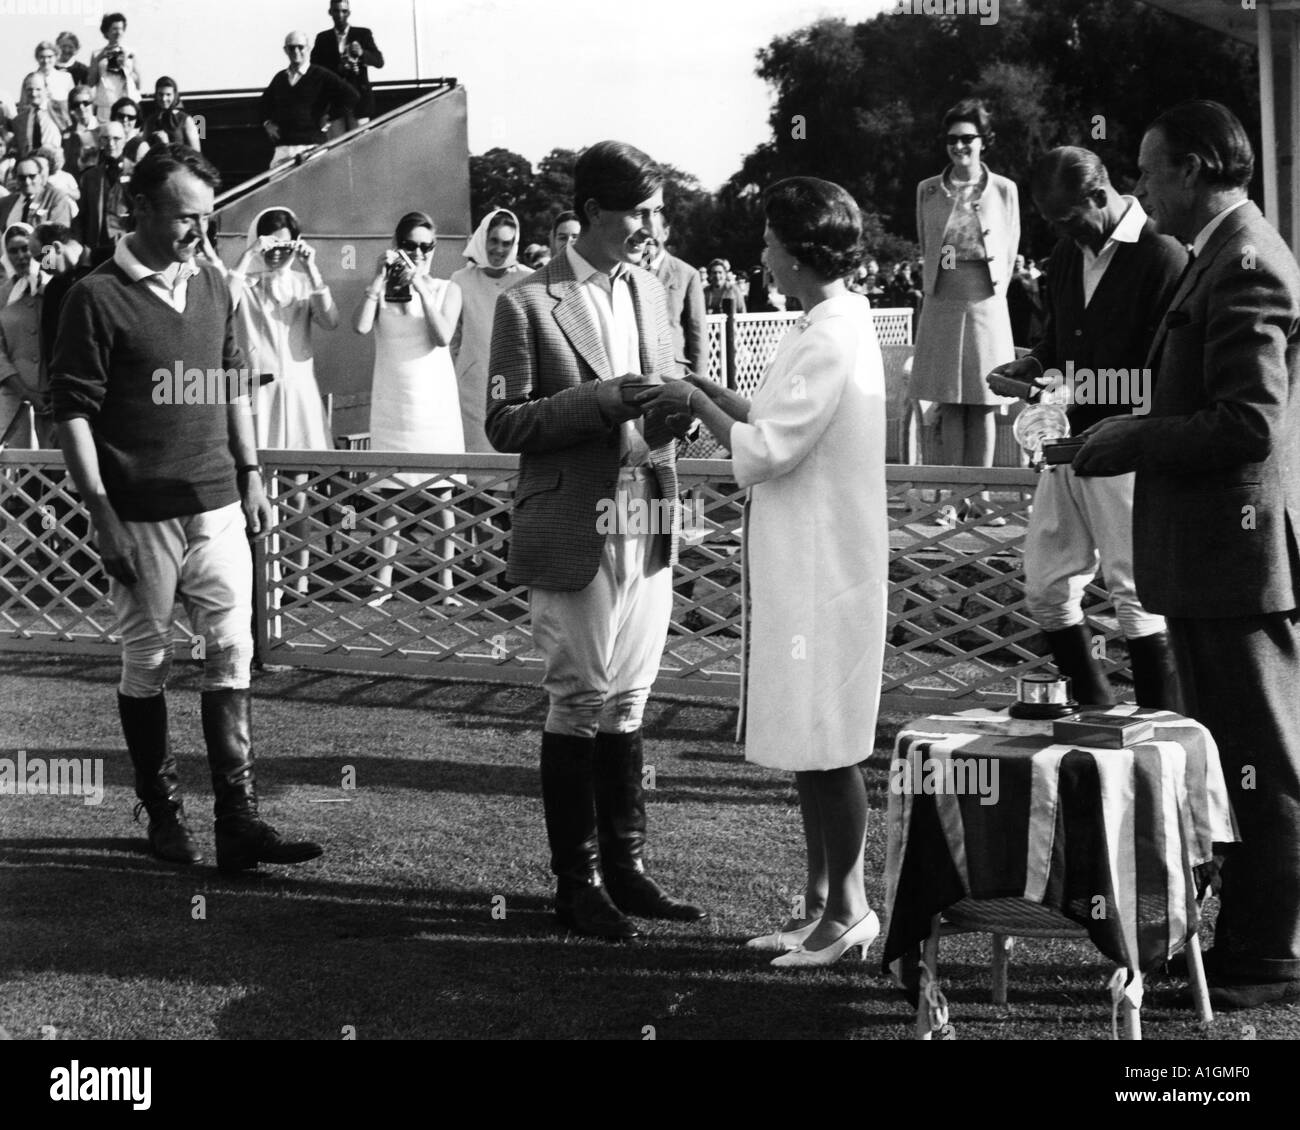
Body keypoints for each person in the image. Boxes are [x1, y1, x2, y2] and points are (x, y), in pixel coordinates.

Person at [1072, 102, 1300, 1009]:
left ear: (1199, 166)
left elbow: (1248, 423)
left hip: (1238, 564)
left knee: (1261, 756)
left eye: (1149, 167)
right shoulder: (1225, 252)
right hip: (1215, 561)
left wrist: (1135, 437)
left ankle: (1269, 951)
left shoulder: (1245, 262)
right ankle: (1247, 935)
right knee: (1234, 754)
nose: (1138, 186)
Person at [50, 145, 323, 872]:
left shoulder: (215, 283)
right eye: (183, 218)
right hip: (138, 511)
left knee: (232, 654)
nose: (197, 234)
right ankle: (163, 813)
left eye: (207, 218)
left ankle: (239, 821)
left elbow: (232, 385)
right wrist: (100, 511)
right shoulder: (94, 295)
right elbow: (70, 413)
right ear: (137, 208)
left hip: (218, 502)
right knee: (147, 662)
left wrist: (253, 473)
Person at [641, 177, 887, 966]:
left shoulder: (830, 332)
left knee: (832, 743)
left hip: (826, 565)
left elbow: (764, 452)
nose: (763, 255)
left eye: (772, 242)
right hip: (805, 562)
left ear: (800, 250)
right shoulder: (820, 322)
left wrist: (690, 400)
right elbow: (771, 419)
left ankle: (849, 913)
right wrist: (712, 394)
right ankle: (821, 906)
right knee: (808, 740)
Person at [486, 139, 706, 941]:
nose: (651, 227)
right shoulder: (526, 301)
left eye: (654, 210)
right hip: (572, 518)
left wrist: (670, 415)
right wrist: (604, 400)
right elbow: (507, 422)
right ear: (590, 215)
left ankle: (628, 869)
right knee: (579, 696)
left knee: (631, 698)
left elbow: (662, 399)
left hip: (646, 512)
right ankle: (574, 885)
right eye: (638, 212)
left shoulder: (652, 289)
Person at [985, 147, 1185, 711]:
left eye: (1068, 220)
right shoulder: (1068, 254)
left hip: (1127, 445)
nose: (1061, 232)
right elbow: (1059, 343)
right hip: (1068, 442)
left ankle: (1158, 730)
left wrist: (1067, 389)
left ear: (1100, 196)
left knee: (1137, 595)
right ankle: (1097, 712)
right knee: (1046, 588)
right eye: (1052, 222)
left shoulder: (1161, 257)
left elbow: (1160, 375)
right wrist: (1032, 367)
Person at [910, 97, 1018, 524]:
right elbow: (927, 246)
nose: (959, 147)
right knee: (951, 403)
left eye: (967, 139)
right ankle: (952, 499)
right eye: (952, 140)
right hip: (943, 300)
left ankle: (982, 495)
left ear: (983, 141)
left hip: (986, 301)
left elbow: (1010, 247)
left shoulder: (1005, 189)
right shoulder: (928, 190)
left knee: (985, 401)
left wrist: (996, 293)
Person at [353, 210, 463, 606]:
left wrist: (420, 283)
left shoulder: (449, 287)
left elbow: (442, 336)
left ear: (435, 249)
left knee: (442, 496)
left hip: (434, 401)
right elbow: (361, 327)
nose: (418, 253)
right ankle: (382, 583)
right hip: (393, 399)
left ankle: (446, 583)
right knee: (389, 498)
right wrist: (379, 280)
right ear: (396, 246)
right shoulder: (380, 288)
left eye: (425, 246)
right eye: (410, 246)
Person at [230, 206, 338, 596]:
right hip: (258, 394)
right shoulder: (245, 282)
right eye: (270, 241)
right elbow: (223, 305)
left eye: (284, 241)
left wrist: (313, 271)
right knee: (258, 486)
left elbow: (331, 320)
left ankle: (299, 575)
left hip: (298, 395)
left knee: (298, 490)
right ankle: (261, 575)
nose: (277, 251)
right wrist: (247, 258)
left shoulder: (302, 282)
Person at [450, 208, 532, 452]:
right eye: (493, 240)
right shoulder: (460, 279)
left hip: (516, 383)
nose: (499, 249)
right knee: (477, 457)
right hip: (472, 385)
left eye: (506, 243)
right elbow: (453, 338)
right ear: (482, 238)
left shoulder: (529, 279)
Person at [261, 31, 358, 169]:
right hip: (283, 148)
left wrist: (329, 117)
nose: (296, 51)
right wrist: (267, 123)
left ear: (308, 48)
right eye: (291, 47)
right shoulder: (280, 78)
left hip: (311, 147)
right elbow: (263, 104)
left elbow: (352, 96)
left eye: (300, 47)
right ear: (285, 50)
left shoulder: (321, 75)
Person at [311, 1, 384, 137]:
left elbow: (379, 61)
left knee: (362, 148)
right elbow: (314, 70)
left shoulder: (363, 34)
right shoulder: (322, 38)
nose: (340, 15)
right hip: (334, 105)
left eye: (344, 11)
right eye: (336, 11)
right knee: (336, 149)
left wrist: (362, 53)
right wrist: (338, 68)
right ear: (330, 12)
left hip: (359, 104)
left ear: (349, 13)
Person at [644, 218, 707, 378]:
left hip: (673, 369)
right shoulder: (628, 270)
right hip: (636, 369)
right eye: (644, 232)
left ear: (666, 233)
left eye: (654, 232)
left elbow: (697, 330)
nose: (649, 238)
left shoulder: (686, 274)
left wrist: (699, 378)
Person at [0, 221, 44, 447]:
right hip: (14, 397)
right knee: (18, 470)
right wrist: (22, 389)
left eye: (25, 248)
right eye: (13, 251)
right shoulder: (3, 294)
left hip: (49, 398)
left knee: (54, 470)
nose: (21, 256)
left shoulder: (51, 286)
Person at [73, 120, 131, 261]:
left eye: (116, 139)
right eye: (106, 138)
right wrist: (80, 247)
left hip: (128, 246)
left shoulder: (137, 173)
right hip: (97, 247)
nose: (111, 144)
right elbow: (81, 216)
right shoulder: (89, 177)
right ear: (99, 142)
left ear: (125, 140)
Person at [87, 12, 142, 124]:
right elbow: (91, 82)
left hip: (127, 104)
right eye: (114, 29)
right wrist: (99, 59)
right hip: (106, 104)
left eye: (121, 29)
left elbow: (139, 84)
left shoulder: (131, 53)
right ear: (106, 31)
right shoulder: (97, 54)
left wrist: (125, 66)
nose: (118, 32)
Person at [2, 156, 75, 231]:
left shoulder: (55, 198)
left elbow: (59, 231)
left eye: (32, 176)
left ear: (40, 176)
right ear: (16, 178)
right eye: (22, 178)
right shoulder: (5, 203)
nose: (27, 182)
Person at [11, 73, 67, 163]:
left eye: (38, 89)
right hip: (30, 168)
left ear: (46, 89)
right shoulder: (18, 120)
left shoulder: (61, 109)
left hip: (56, 165)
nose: (33, 93)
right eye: (30, 89)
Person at [141, 77, 201, 150]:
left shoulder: (186, 120)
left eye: (168, 95)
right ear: (156, 94)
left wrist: (166, 144)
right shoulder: (150, 121)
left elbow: (196, 152)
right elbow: (143, 150)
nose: (164, 99)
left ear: (174, 95)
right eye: (161, 94)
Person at [62, 85, 100, 174]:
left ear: (93, 105)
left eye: (86, 103)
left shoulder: (104, 129)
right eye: (76, 104)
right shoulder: (66, 134)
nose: (81, 107)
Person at [32, 41, 74, 113]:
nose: (46, 61)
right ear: (37, 58)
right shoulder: (31, 79)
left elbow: (73, 102)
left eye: (49, 57)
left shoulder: (66, 78)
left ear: (56, 57)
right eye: (42, 57)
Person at [110, 97, 150, 164]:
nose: (125, 120)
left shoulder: (141, 146)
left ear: (136, 119)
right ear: (114, 116)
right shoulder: (107, 140)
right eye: (121, 116)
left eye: (131, 117)